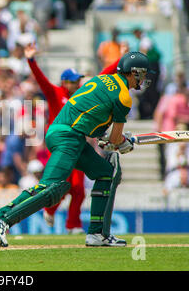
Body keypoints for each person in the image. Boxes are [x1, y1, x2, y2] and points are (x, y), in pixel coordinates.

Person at [0, 51, 151, 247]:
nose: (145, 78)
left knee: (106, 173)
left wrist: (109, 139)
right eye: (144, 73)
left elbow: (95, 122)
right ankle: (2, 217)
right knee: (52, 187)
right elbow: (115, 139)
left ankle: (97, 235)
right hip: (68, 136)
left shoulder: (102, 79)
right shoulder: (124, 97)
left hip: (70, 135)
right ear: (135, 73)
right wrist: (124, 142)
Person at [24, 42, 120, 235]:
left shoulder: (82, 94)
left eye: (78, 81)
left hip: (76, 143)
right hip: (60, 143)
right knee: (63, 184)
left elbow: (103, 76)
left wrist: (121, 60)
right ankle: (51, 210)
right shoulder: (55, 93)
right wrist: (31, 60)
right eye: (74, 81)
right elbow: (41, 80)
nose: (77, 84)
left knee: (78, 188)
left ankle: (72, 225)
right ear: (64, 82)